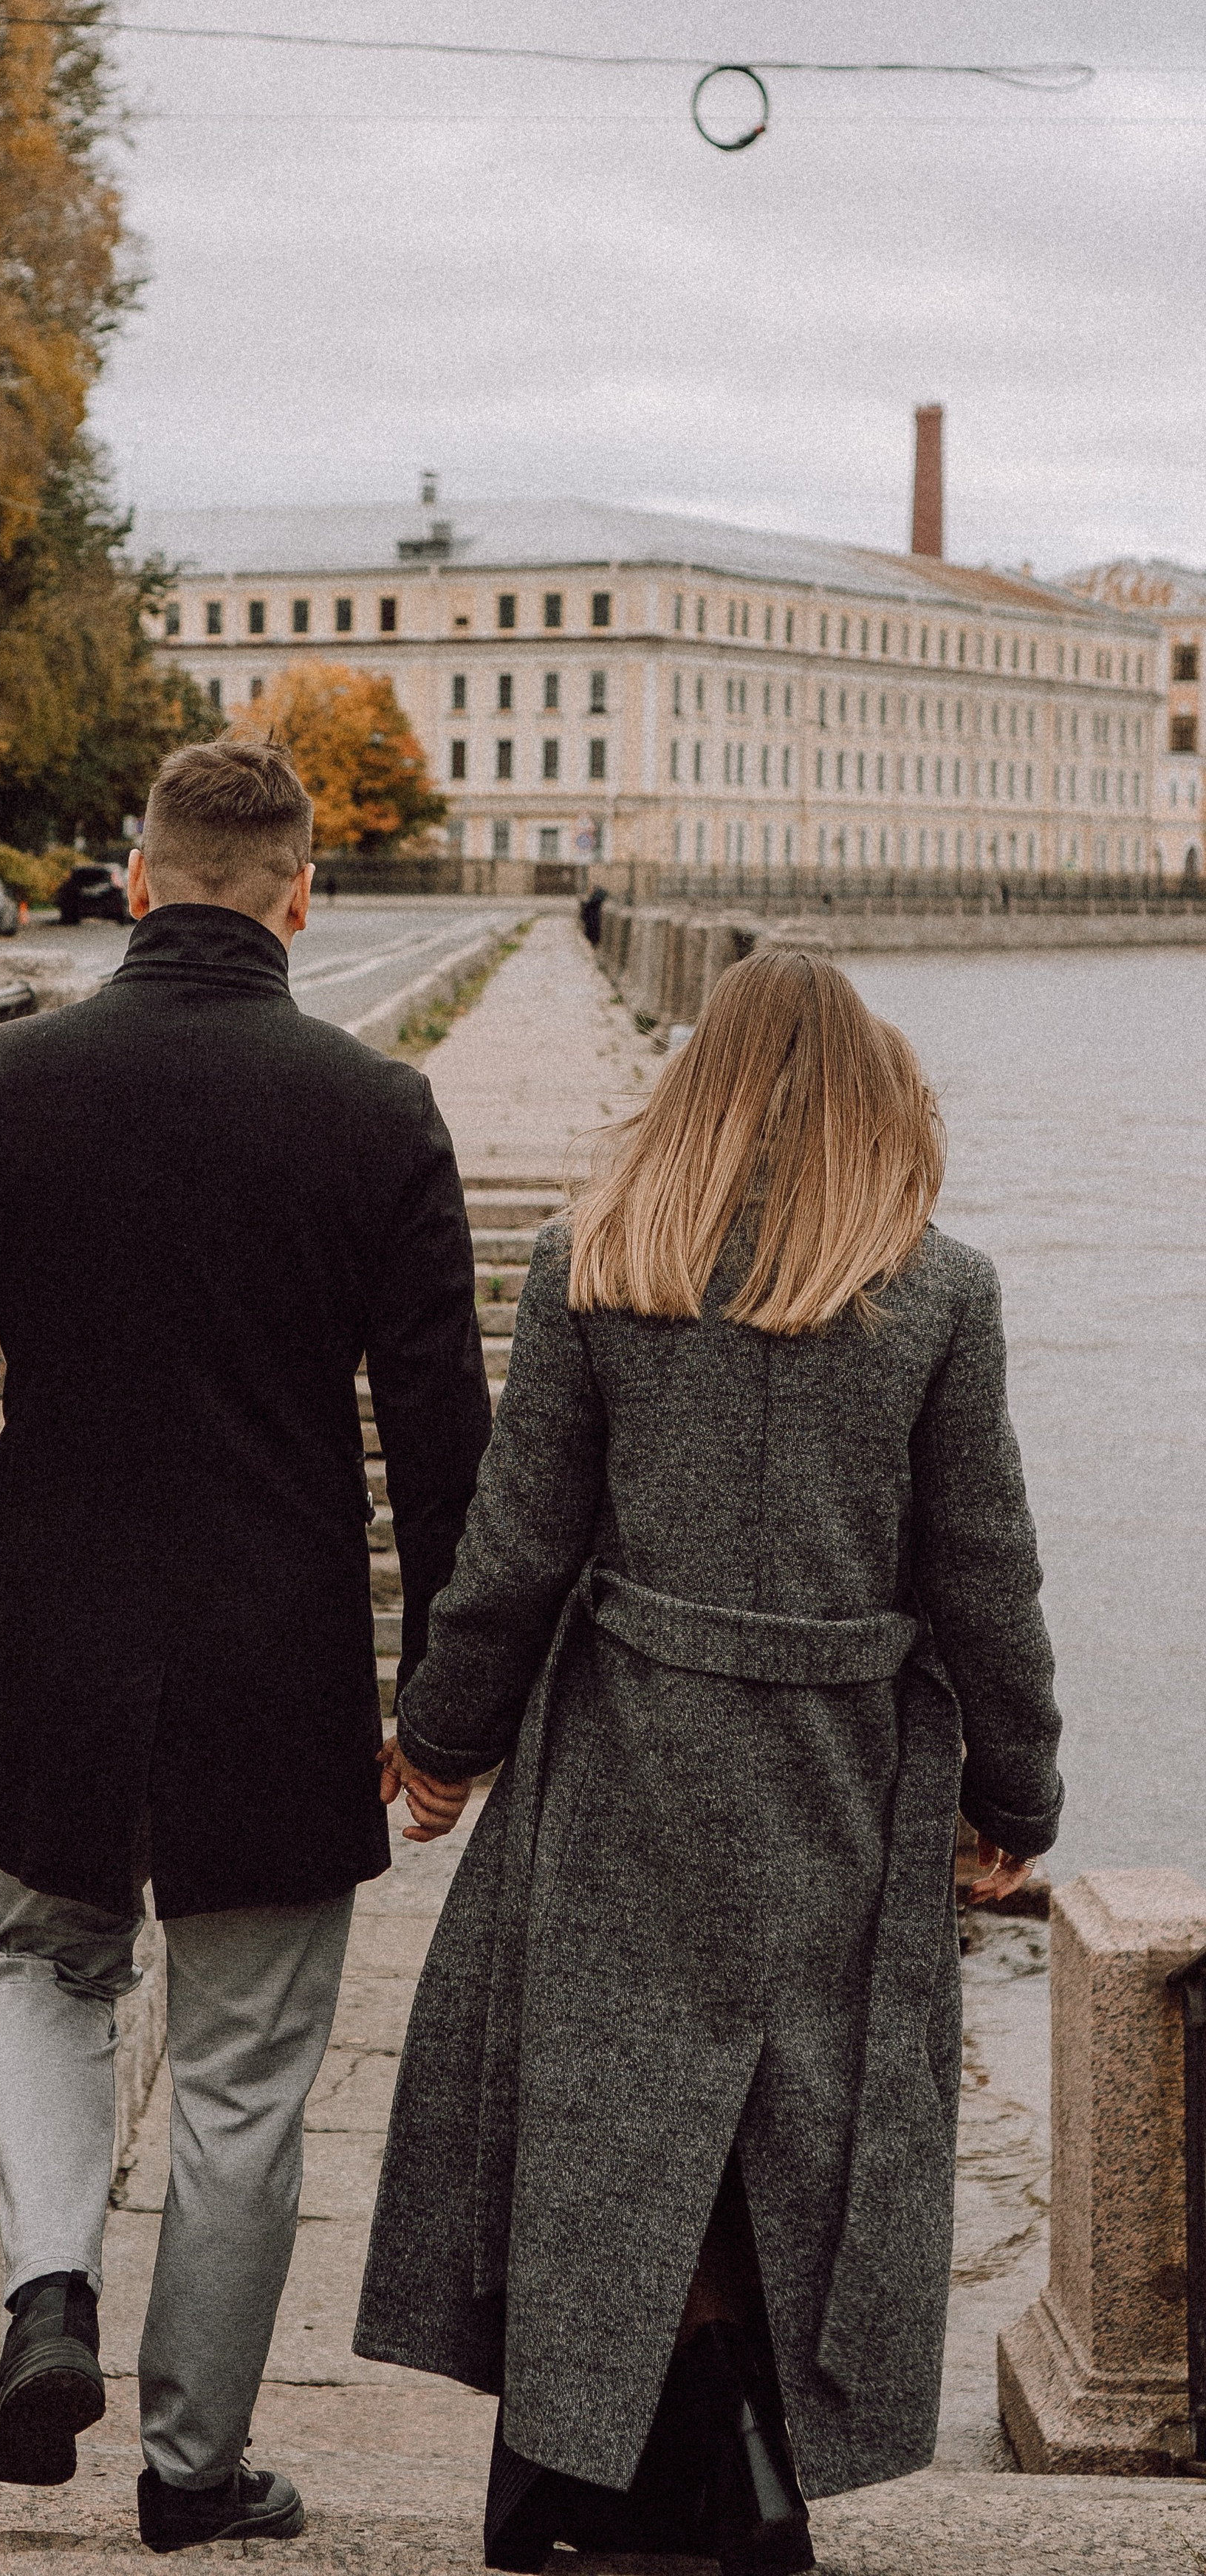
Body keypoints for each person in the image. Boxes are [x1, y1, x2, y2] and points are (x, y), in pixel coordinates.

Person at [353, 948, 1063, 2576]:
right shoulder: (938, 1294)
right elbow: (981, 1576)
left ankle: (590, 2489)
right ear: (878, 1098)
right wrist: (1010, 1797)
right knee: (792, 2133)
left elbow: (513, 1551)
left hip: (625, 1760)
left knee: (611, 2127)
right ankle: (746, 2471)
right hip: (837, 1772)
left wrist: (440, 1743)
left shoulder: (592, 1263)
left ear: (689, 1087)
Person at [0, 738, 490, 2552]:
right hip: (275, 1656)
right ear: (302, 896)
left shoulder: (6, 1085)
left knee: (45, 1964)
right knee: (240, 2078)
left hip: (47, 1626)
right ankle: (193, 2466)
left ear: (134, 881)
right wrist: (442, 1706)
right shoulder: (377, 1114)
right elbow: (441, 1438)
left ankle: (46, 2287)